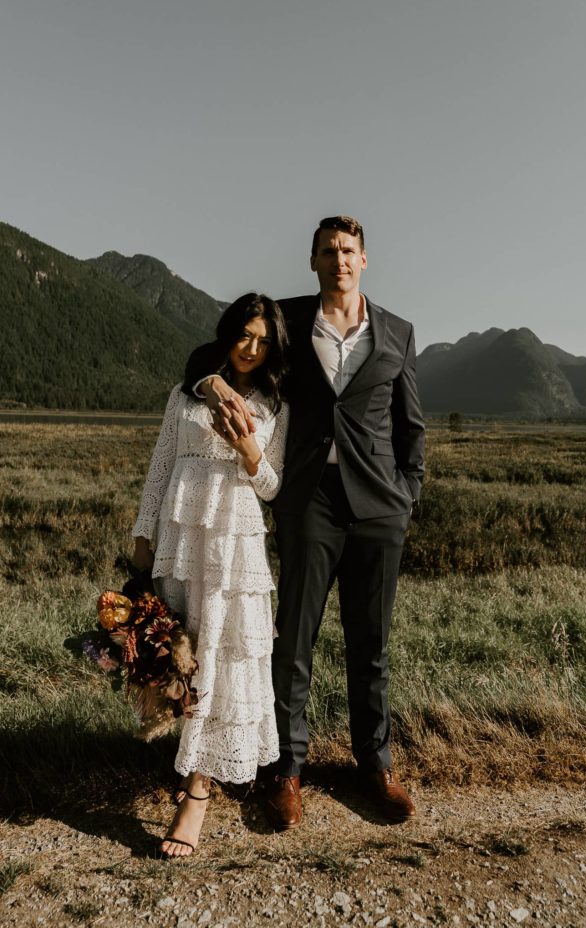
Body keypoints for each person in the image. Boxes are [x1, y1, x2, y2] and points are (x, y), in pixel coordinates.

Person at [187, 216, 425, 830]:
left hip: (378, 509)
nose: (338, 260)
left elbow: (410, 428)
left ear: (364, 260)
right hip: (309, 503)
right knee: (292, 642)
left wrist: (406, 495)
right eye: (327, 251)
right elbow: (206, 355)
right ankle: (287, 772)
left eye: (348, 251)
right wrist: (215, 385)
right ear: (313, 260)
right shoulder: (286, 321)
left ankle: (376, 767)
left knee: (370, 646)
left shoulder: (398, 332)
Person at [132, 293, 289, 857]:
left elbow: (274, 486)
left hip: (234, 539)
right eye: (244, 335)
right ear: (227, 334)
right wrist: (141, 539)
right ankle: (192, 759)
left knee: (224, 658)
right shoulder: (188, 390)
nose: (251, 349)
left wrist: (249, 449)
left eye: (263, 342)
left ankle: (196, 794)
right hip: (182, 534)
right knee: (184, 652)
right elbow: (159, 467)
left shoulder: (275, 403)